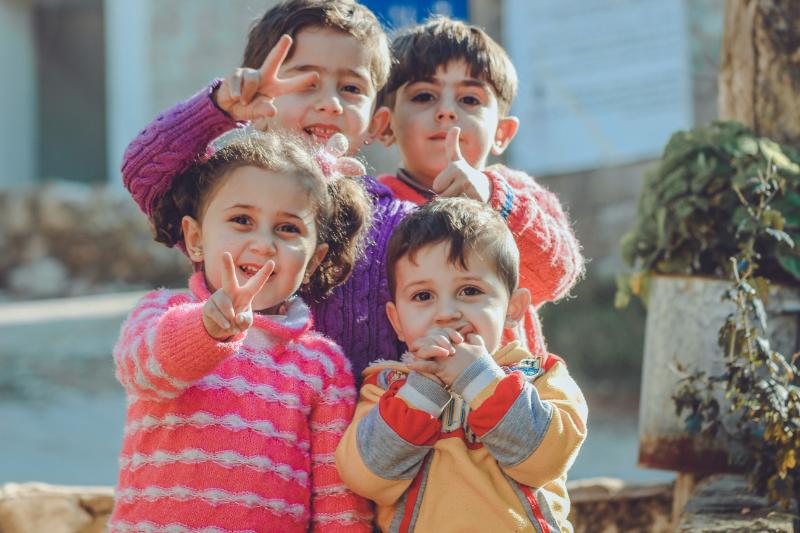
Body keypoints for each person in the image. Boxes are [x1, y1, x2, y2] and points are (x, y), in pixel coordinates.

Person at [122, 0, 412, 379]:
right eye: (306, 83)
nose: (330, 103)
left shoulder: (400, 222)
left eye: (352, 87)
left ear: (377, 120)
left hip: (355, 430)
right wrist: (220, 108)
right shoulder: (230, 190)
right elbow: (145, 170)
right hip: (239, 422)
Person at [109, 130, 373, 532]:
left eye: (288, 229)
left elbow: (338, 499)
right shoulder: (163, 312)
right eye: (242, 220)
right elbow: (144, 372)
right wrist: (208, 328)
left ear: (315, 259)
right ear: (196, 239)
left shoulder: (322, 366)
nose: (263, 242)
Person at [335, 198, 588, 532]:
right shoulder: (386, 388)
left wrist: (477, 378)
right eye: (423, 296)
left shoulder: (539, 375)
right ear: (397, 321)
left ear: (513, 308)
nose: (446, 313)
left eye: (469, 290)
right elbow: (367, 478)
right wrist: (424, 389)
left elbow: (546, 461)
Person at [376, 16, 584, 355]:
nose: (446, 111)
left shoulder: (516, 193)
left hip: (509, 392)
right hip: (415, 393)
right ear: (384, 125)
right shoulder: (373, 207)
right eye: (424, 96)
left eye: (469, 100)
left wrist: (492, 198)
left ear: (502, 132)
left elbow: (556, 275)